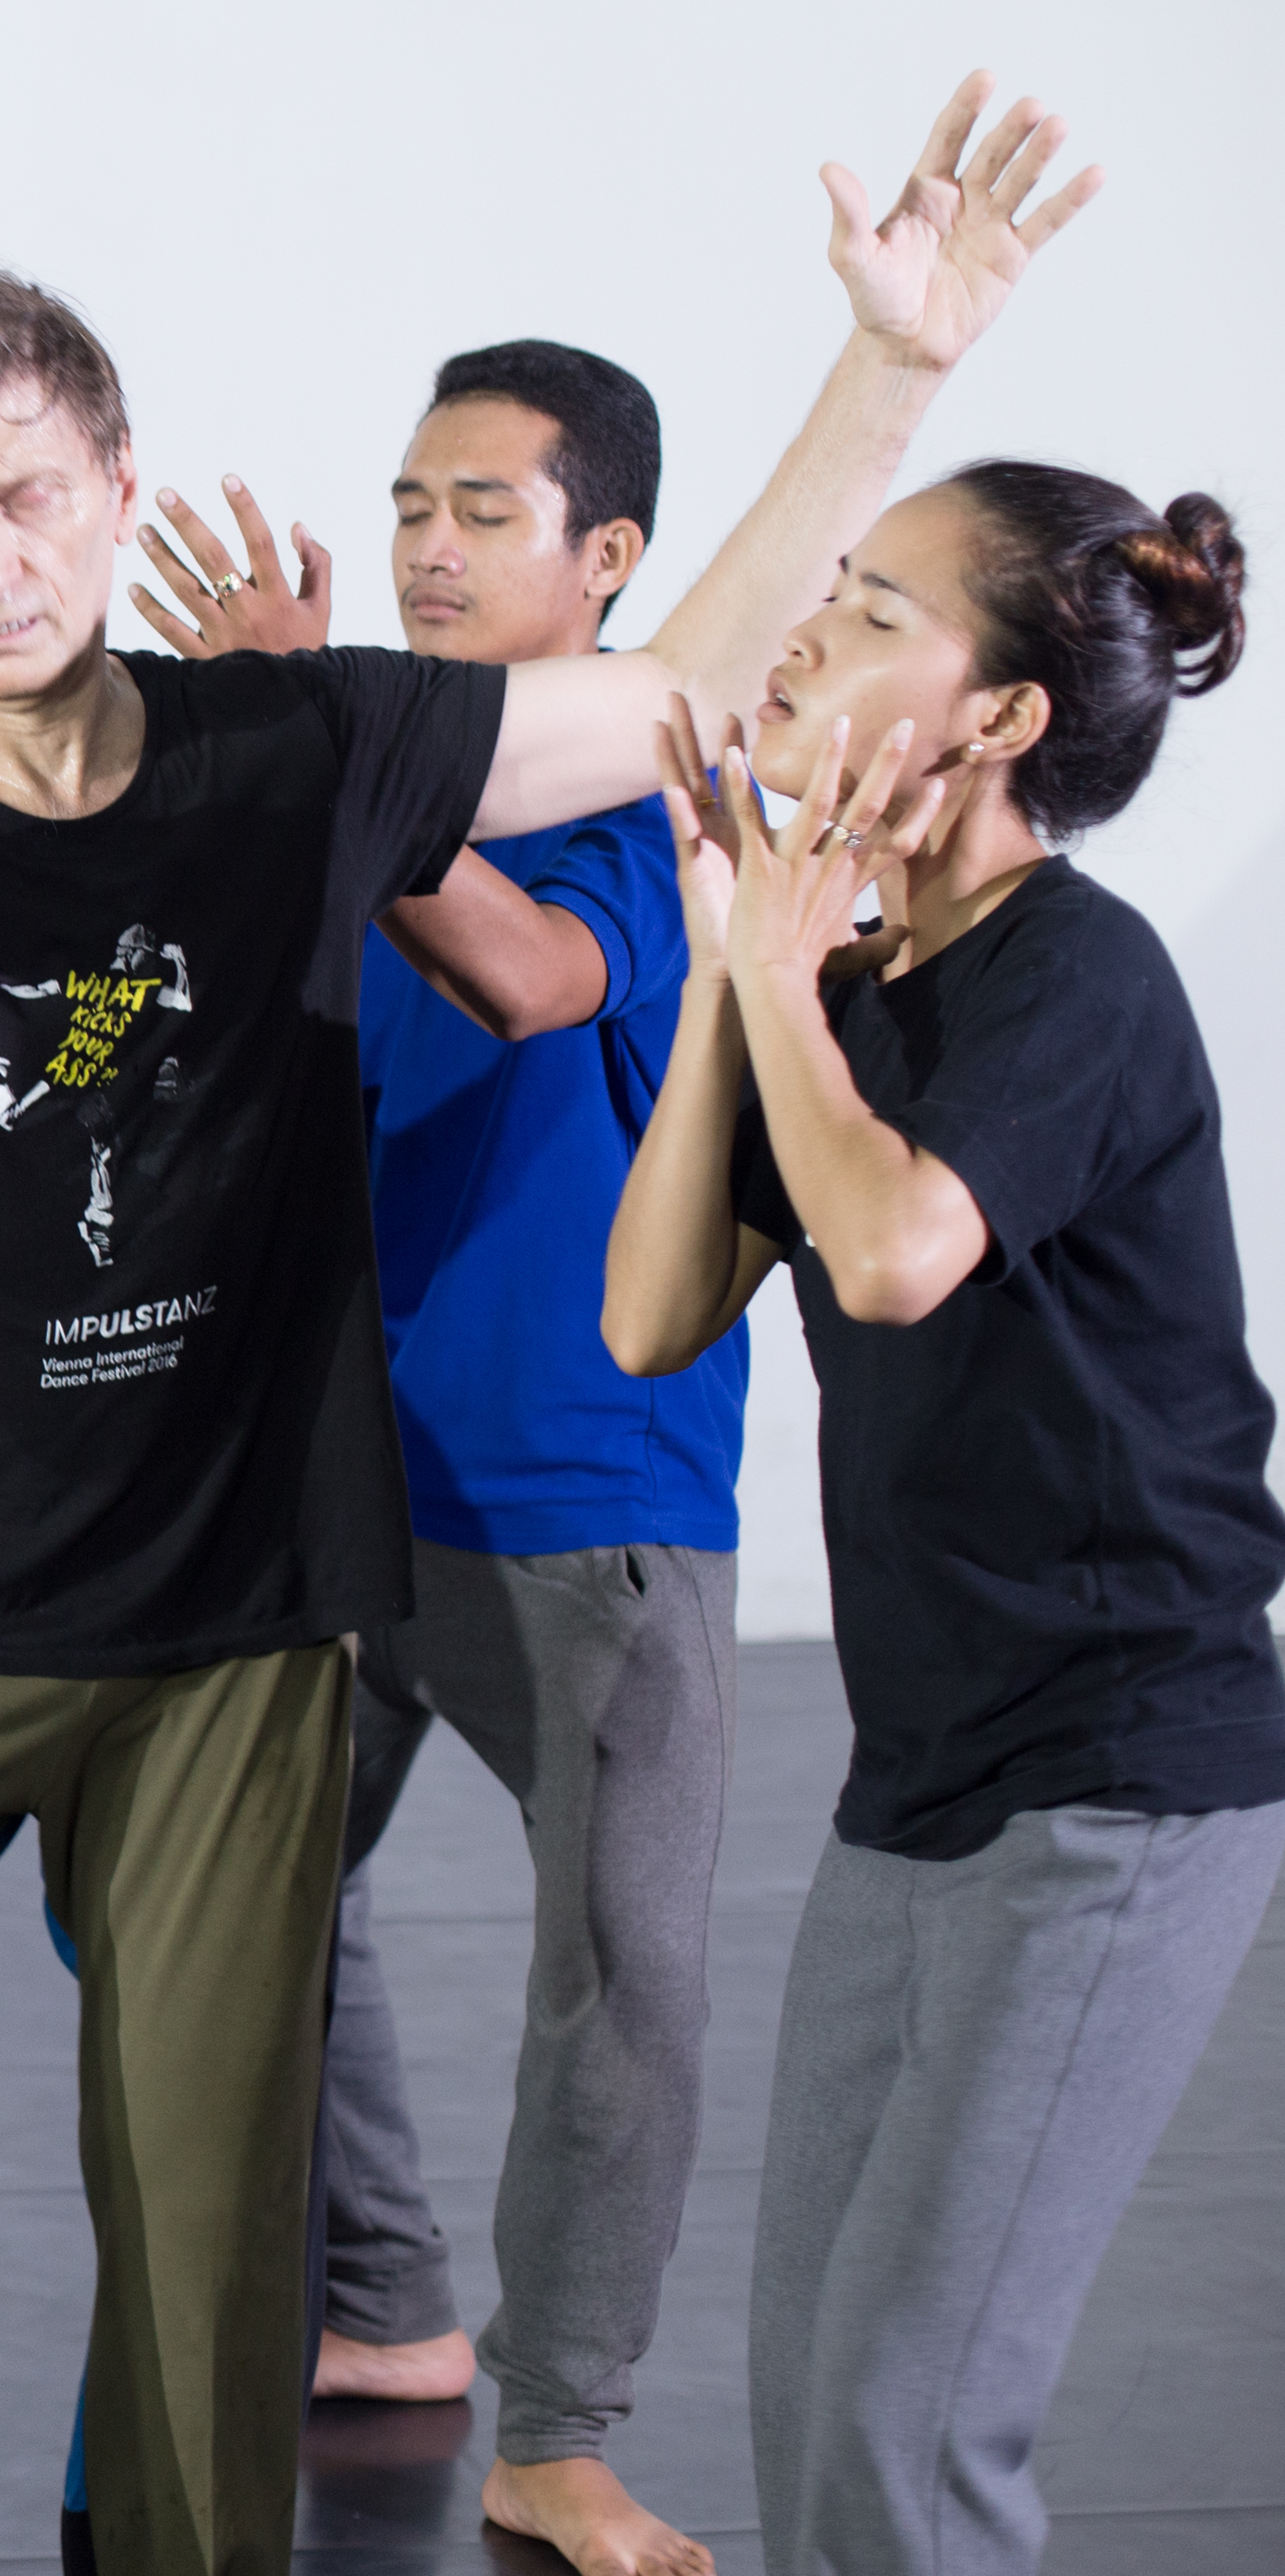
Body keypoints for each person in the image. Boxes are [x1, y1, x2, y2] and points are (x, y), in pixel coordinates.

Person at [0, 75, 1096, 2576]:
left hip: (220, 1633)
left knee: (214, 2264)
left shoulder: (300, 742)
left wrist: (882, 370)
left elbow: (669, 682)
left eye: (23, 492)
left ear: (115, 487)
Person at [600, 465, 1280, 2576]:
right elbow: (648, 1312)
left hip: (1115, 1783)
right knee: (818, 2388)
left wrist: (790, 988)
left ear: (993, 720)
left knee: (907, 2418)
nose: (798, 635)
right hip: (919, 1778)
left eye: (871, 605)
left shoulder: (1080, 974)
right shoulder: (841, 980)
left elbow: (891, 1252)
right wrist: (739, 966)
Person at [128, 342, 750, 2576]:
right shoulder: (362, 767)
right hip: (334, 1469)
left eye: (481, 508)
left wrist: (324, 743)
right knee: (241, 1901)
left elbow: (515, 977)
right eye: (405, 498)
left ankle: (556, 2426)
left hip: (583, 1487)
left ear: (603, 560)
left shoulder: (642, 783)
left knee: (622, 1969)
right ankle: (381, 2296)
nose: (419, 539)